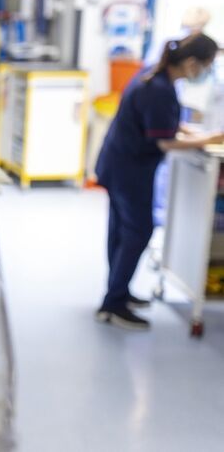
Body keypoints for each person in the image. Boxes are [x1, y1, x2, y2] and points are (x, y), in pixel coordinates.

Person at [96, 33, 224, 330]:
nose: (206, 72)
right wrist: (211, 137)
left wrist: (193, 133)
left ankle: (117, 293)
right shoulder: (160, 89)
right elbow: (165, 142)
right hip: (130, 169)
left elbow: (162, 123)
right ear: (192, 63)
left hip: (118, 163)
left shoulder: (153, 75)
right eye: (207, 65)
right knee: (139, 231)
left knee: (120, 231)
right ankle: (113, 304)